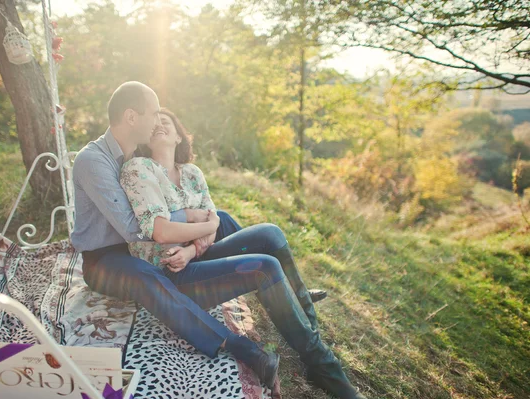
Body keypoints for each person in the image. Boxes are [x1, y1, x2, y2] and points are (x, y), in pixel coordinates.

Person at [72, 82, 365, 399]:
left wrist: (199, 231)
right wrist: (193, 217)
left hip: (158, 243)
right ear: (132, 116)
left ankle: (295, 303)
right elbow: (135, 227)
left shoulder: (139, 158)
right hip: (108, 257)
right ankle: (241, 343)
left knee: (235, 222)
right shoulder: (96, 161)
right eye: (154, 113)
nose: (158, 120)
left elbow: (175, 214)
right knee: (147, 273)